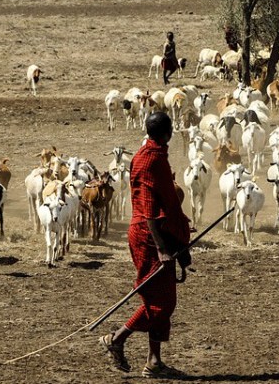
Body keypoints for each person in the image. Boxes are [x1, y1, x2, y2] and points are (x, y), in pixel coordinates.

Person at [100, 112, 190, 378]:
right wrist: (162, 247)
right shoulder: (152, 161)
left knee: (159, 297)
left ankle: (154, 362)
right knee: (162, 304)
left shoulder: (146, 155)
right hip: (150, 238)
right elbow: (150, 210)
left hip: (155, 234)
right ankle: (117, 337)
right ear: (167, 133)